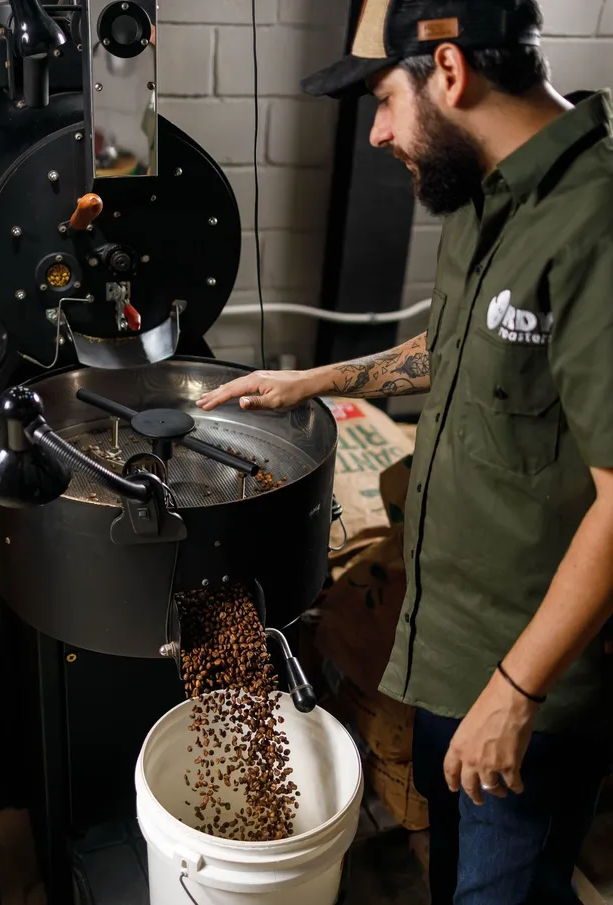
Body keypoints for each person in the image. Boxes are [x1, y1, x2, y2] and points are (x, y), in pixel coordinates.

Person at [197, 1, 613, 902]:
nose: (380, 131)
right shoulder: (480, 192)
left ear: (451, 72)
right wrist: (313, 381)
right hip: (449, 650)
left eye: (384, 99)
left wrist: (515, 693)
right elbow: (451, 349)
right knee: (454, 875)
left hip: (530, 688)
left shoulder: (597, 226)